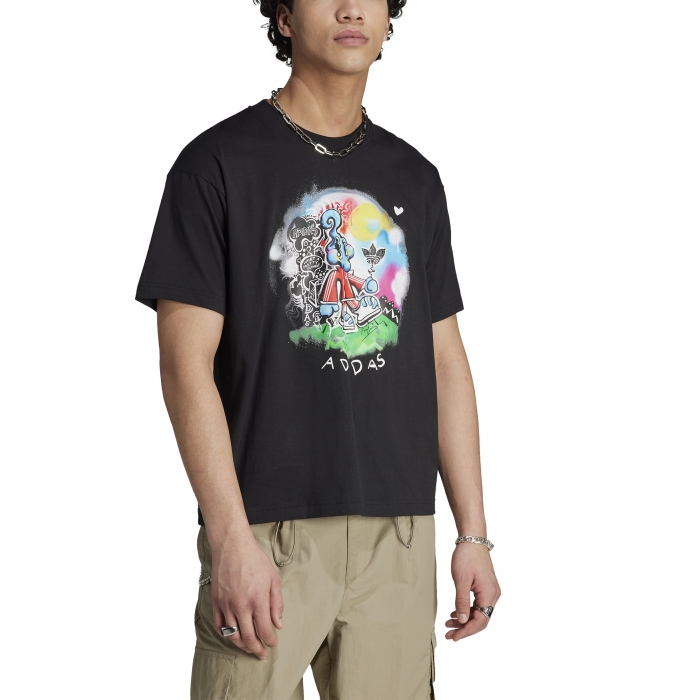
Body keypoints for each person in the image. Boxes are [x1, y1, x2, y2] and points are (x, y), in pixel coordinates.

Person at [135, 1, 501, 697]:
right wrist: (230, 537)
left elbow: (446, 363)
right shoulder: (215, 165)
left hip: (397, 534)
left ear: (389, 19)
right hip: (264, 530)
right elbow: (185, 366)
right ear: (282, 17)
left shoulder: (415, 177)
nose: (350, 8)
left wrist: (473, 534)